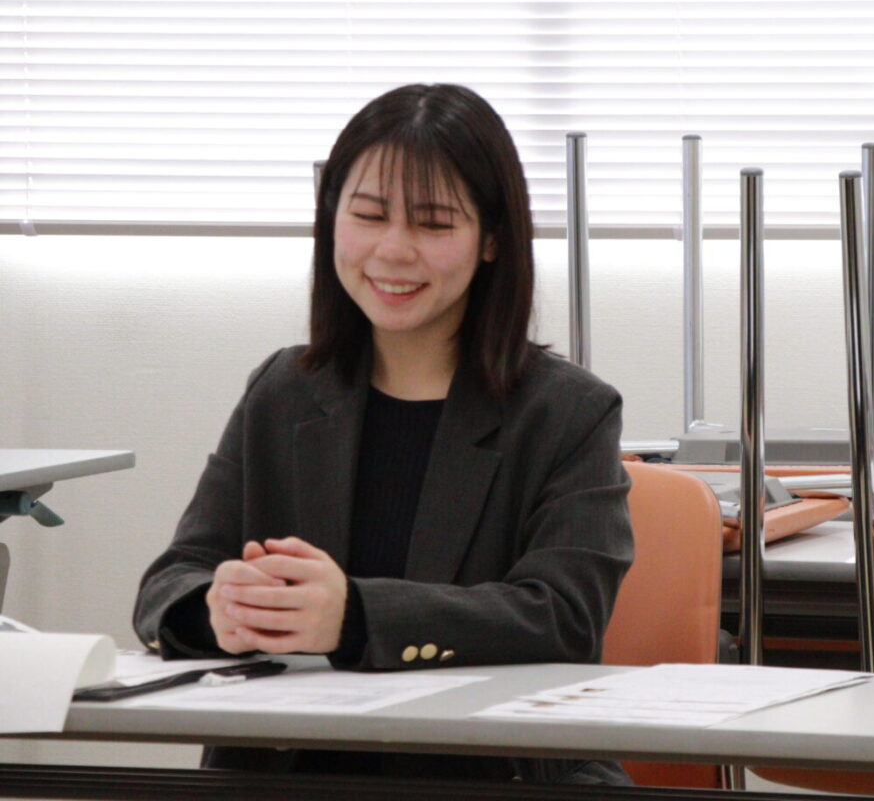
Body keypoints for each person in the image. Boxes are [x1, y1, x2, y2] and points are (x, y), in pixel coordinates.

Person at [134, 83, 633, 784]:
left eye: (434, 224)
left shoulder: (568, 413)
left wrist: (355, 616)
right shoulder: (282, 390)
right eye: (368, 215)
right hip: (289, 772)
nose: (393, 251)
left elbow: (564, 618)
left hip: (484, 774)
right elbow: (170, 581)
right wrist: (217, 608)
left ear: (492, 239)